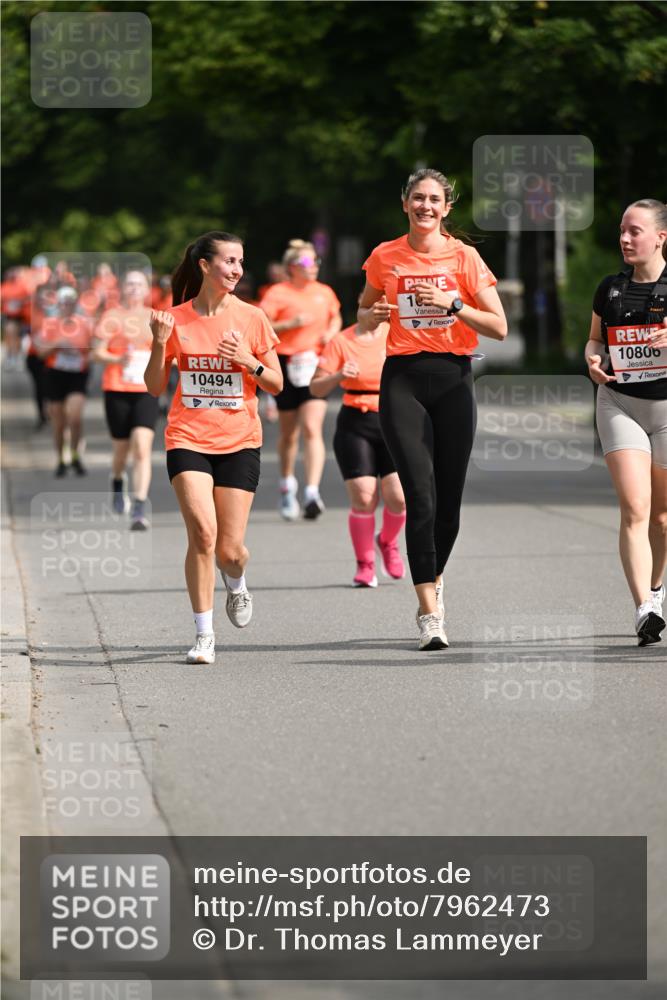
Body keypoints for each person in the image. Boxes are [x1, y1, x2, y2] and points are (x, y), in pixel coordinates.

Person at [358, 168, 507, 651]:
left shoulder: (465, 257)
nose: (425, 206)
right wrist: (372, 315)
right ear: (405, 203)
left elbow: (499, 327)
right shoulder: (384, 255)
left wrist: (452, 304)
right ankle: (429, 611)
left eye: (434, 200)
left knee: (448, 504)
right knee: (419, 496)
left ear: (447, 208)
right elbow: (362, 310)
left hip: (453, 380)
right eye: (417, 198)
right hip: (402, 380)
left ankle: (433, 575)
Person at [144, 231, 282, 665]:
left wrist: (248, 360)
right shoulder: (175, 319)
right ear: (205, 265)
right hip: (187, 438)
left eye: (241, 262)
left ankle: (236, 583)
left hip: (240, 440)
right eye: (229, 261)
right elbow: (153, 388)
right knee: (202, 535)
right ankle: (204, 635)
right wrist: (158, 342)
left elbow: (277, 383)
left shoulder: (252, 318)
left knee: (230, 551)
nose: (237, 270)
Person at [585, 199, 667, 646]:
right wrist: (593, 361)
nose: (625, 238)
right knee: (635, 508)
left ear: (660, 237)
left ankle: (656, 589)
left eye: (635, 231)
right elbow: (594, 340)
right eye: (622, 230)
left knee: (663, 518)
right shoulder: (610, 288)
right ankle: (643, 608)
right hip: (618, 402)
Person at [310, 305, 406, 587]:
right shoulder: (341, 341)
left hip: (395, 419)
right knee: (364, 496)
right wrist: (339, 375)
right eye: (372, 306)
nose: (380, 311)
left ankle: (387, 542)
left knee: (398, 496)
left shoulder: (397, 334)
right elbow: (316, 388)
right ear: (360, 308)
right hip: (356, 422)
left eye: (384, 306)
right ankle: (365, 565)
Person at [260, 240, 341, 520]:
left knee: (311, 427)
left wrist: (331, 332)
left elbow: (336, 317)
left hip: (316, 364)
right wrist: (289, 325)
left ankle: (312, 492)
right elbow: (261, 326)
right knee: (289, 434)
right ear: (292, 267)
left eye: (316, 261)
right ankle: (287, 485)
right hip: (285, 363)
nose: (315, 266)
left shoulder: (325, 292)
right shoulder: (277, 293)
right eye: (308, 263)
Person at [92, 270, 159, 529]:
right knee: (121, 450)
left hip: (146, 390)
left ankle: (140, 507)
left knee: (142, 448)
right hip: (117, 388)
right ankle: (118, 480)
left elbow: (166, 352)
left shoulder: (155, 317)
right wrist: (116, 359)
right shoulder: (112, 316)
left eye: (138, 284)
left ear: (146, 289)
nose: (134, 288)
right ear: (122, 288)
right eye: (129, 283)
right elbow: (97, 353)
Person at [34, 285, 93, 476]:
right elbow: (41, 353)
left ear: (75, 304)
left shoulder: (84, 323)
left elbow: (93, 350)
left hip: (77, 374)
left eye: (70, 302)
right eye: (63, 302)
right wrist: (57, 345)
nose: (66, 306)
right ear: (58, 304)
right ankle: (61, 459)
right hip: (55, 374)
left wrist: (81, 351)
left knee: (75, 418)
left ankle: (75, 455)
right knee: (59, 422)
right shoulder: (50, 323)